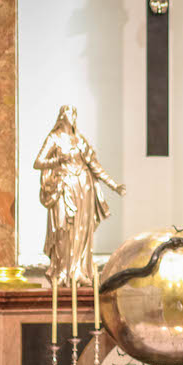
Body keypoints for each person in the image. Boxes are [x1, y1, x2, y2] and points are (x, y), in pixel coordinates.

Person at [34, 103, 126, 287]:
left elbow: (95, 166)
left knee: (82, 230)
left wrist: (114, 185)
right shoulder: (54, 138)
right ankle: (62, 271)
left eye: (75, 112)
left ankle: (79, 271)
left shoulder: (80, 140)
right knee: (63, 229)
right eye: (69, 112)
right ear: (62, 116)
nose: (73, 115)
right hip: (64, 187)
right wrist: (58, 159)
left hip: (84, 187)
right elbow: (38, 162)